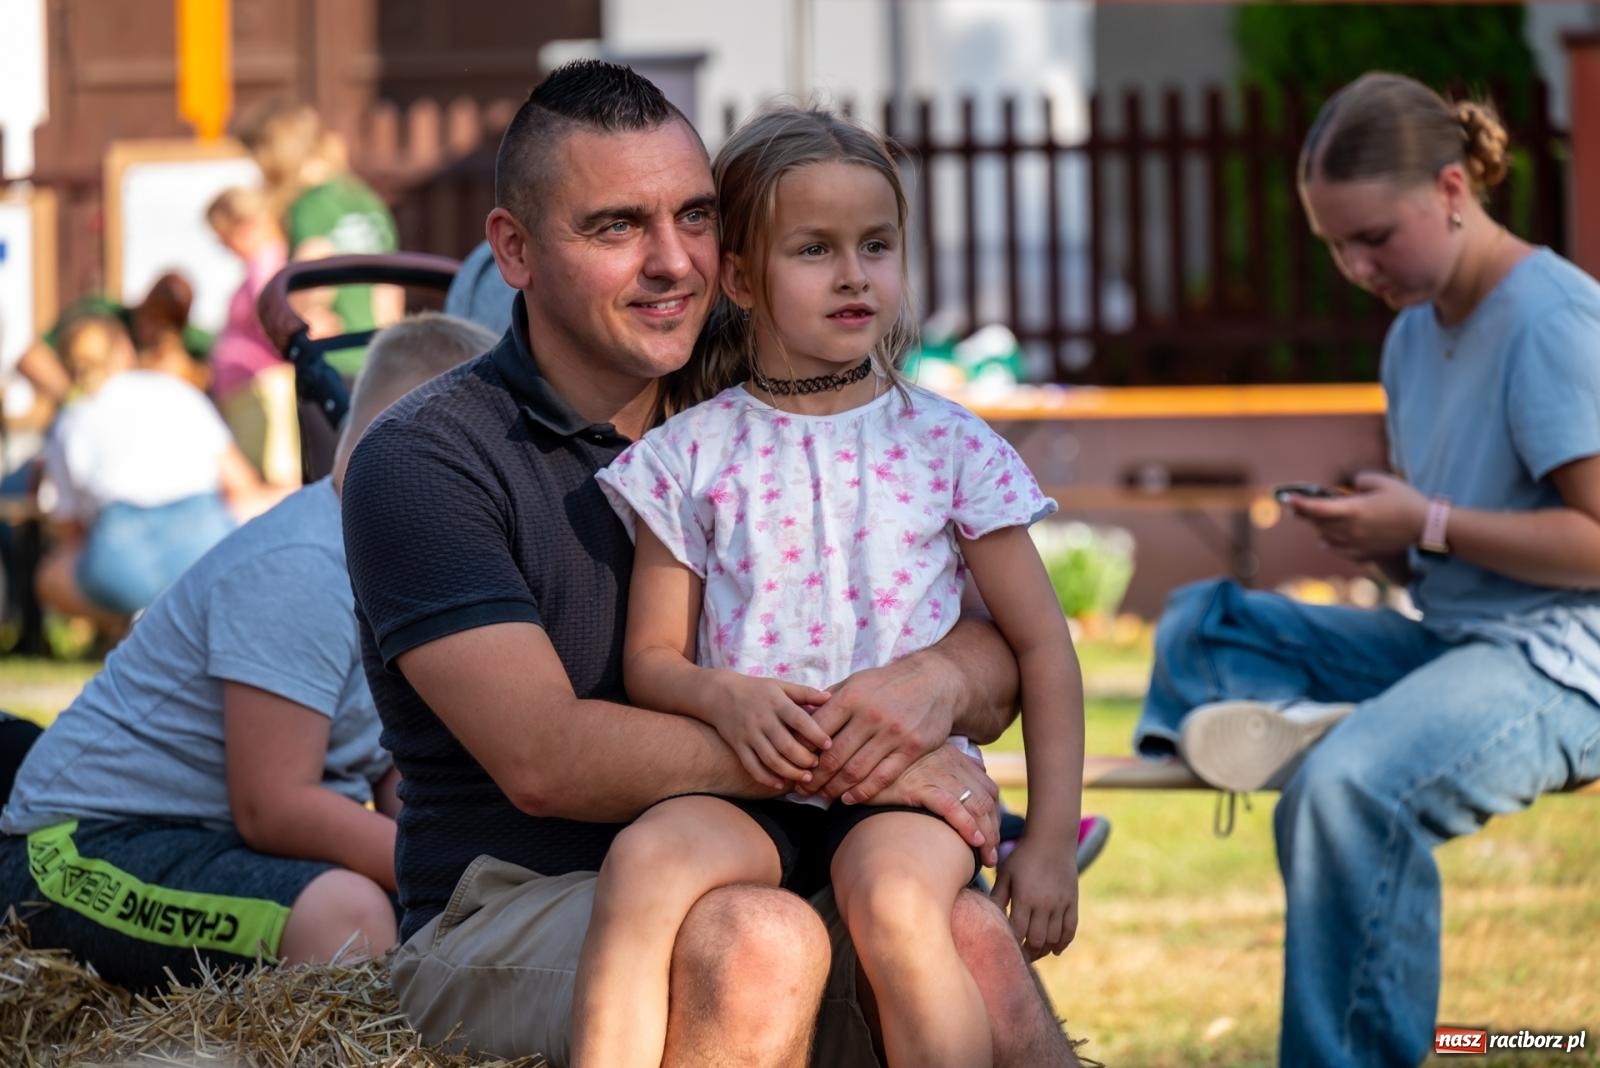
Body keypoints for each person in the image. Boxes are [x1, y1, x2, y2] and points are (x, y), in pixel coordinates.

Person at [343, 61, 1085, 1067]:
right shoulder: (430, 456)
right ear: (514, 250)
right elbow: (545, 763)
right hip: (517, 900)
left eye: (694, 218)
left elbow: (1002, 652)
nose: (672, 263)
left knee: (967, 938)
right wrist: (864, 753)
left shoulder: (778, 396)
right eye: (616, 227)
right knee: (755, 944)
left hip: (784, 841)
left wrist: (934, 681)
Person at [575, 105, 1089, 1068]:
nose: (855, 274)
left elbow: (1041, 648)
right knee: (645, 862)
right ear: (739, 277)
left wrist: (1050, 840)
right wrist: (719, 691)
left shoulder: (949, 445)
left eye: (877, 246)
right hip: (748, 786)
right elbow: (650, 660)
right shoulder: (689, 455)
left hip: (905, 796)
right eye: (815, 248)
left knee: (898, 902)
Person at [1132, 72, 1600, 1067]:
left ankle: (1344, 750)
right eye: (1332, 245)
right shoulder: (1409, 335)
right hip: (1456, 644)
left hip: (1566, 664)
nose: (1353, 265)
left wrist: (1424, 520)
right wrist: (1384, 535)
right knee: (1203, 619)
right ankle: (1272, 723)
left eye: (1372, 238)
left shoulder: (1551, 321)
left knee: (1347, 792)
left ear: (1450, 188)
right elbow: (1465, 532)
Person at [0, 313, 495, 991]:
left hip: (207, 840)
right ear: (412, 448)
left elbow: (394, 769)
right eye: (484, 466)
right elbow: (274, 807)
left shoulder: (399, 568)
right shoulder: (304, 567)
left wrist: (454, 872)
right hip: (80, 850)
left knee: (411, 913)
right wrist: (449, 871)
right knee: (348, 920)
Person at [33, 315, 268, 632]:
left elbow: (69, 528)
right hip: (204, 546)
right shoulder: (175, 390)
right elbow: (242, 484)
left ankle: (138, 625)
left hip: (121, 561)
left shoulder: (72, 419)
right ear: (125, 348)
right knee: (271, 503)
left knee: (51, 576)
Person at [237, 102, 401, 380]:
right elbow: (390, 290)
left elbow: (312, 270)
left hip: (334, 358)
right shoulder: (365, 199)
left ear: (274, 154)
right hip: (379, 359)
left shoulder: (308, 205)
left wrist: (299, 312)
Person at [205, 186, 300, 489]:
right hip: (253, 390)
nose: (224, 247)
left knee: (271, 482)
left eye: (224, 237)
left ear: (245, 226)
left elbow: (273, 317)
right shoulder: (262, 262)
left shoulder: (266, 261)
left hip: (262, 389)